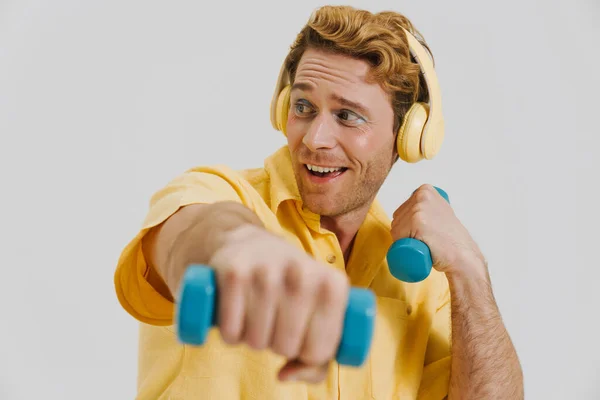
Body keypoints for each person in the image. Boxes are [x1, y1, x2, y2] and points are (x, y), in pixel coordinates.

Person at [113, 5, 523, 399]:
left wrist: (470, 271)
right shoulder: (215, 193)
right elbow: (191, 234)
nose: (314, 139)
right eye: (304, 107)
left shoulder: (423, 282)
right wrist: (235, 246)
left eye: (348, 116)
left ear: (406, 138)